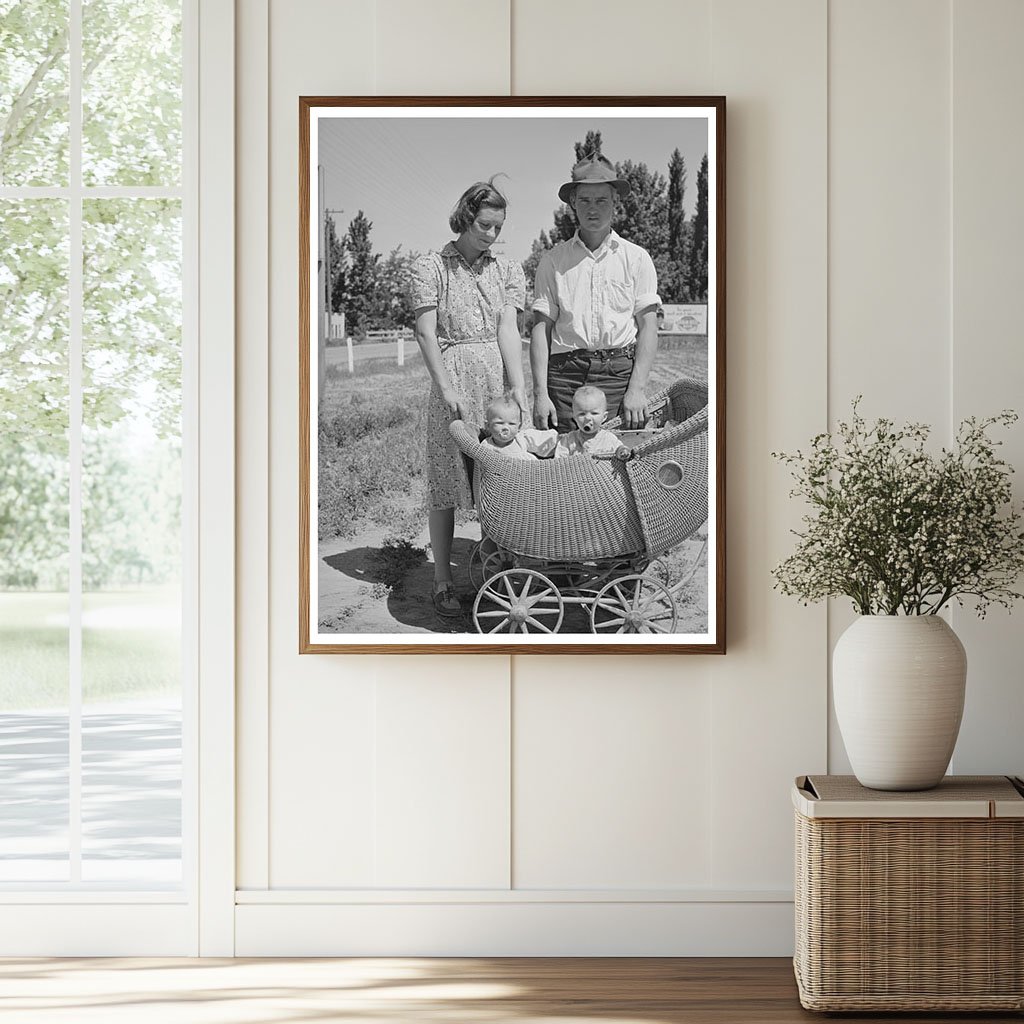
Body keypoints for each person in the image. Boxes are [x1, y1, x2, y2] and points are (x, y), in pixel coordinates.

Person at [411, 179, 527, 617]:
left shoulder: (505, 270)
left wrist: (517, 385)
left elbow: (507, 329)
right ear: (465, 217)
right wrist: (446, 389)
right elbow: (425, 332)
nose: (491, 235)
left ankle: (497, 570)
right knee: (446, 480)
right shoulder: (432, 266)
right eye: (484, 225)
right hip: (453, 376)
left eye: (498, 228)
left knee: (501, 476)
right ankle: (443, 579)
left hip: (494, 382)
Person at [530, 153, 661, 434]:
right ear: (573, 203)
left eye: (602, 200)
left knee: (615, 463)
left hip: (619, 375)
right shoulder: (552, 261)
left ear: (615, 202)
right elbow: (541, 330)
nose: (593, 208)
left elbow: (649, 326)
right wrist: (541, 394)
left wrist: (637, 389)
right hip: (564, 377)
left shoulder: (637, 258)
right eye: (585, 200)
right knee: (564, 463)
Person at [553, 385, 629, 460]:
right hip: (576, 471)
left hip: (602, 471)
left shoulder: (609, 439)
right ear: (575, 417)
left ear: (604, 417)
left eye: (594, 413)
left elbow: (621, 451)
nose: (588, 418)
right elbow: (559, 461)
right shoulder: (568, 440)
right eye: (582, 414)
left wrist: (622, 452)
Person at [481, 393, 558, 460]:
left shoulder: (521, 439)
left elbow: (541, 439)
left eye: (511, 424)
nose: (505, 427)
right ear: (488, 425)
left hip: (524, 473)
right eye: (500, 423)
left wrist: (558, 439)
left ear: (519, 426)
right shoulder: (486, 446)